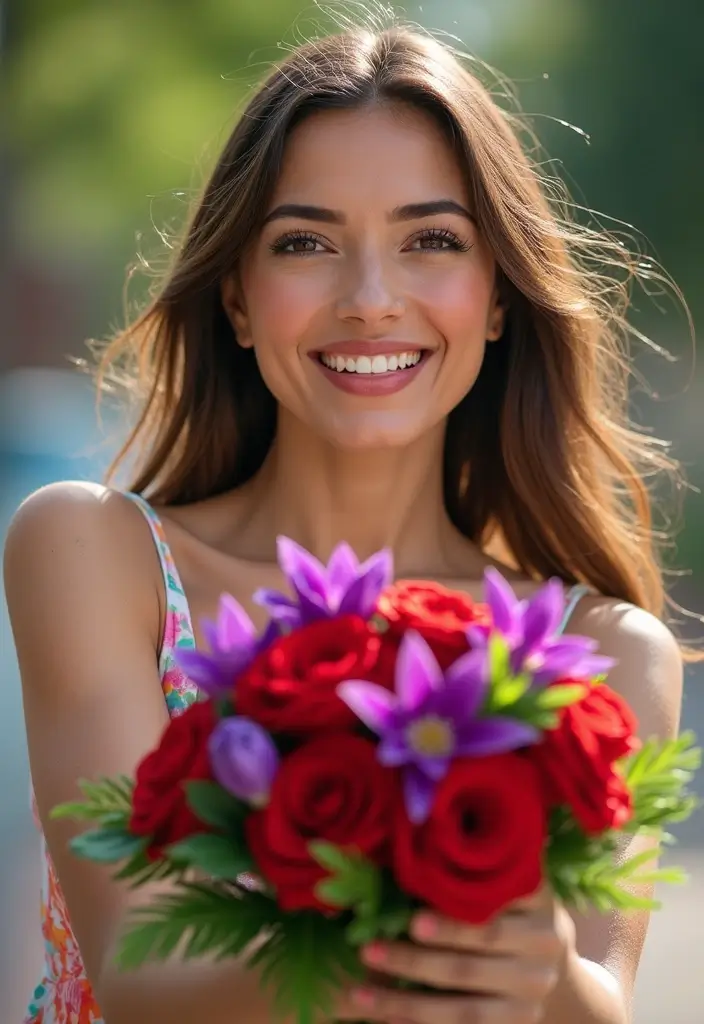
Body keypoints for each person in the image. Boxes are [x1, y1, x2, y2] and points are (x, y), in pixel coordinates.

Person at [3, 21, 689, 1024]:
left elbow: (597, 1004)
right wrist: (418, 922)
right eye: (306, 243)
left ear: (496, 296)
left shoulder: (599, 654)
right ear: (236, 296)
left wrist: (543, 974)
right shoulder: (95, 553)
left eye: (430, 241)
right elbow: (139, 974)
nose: (370, 299)